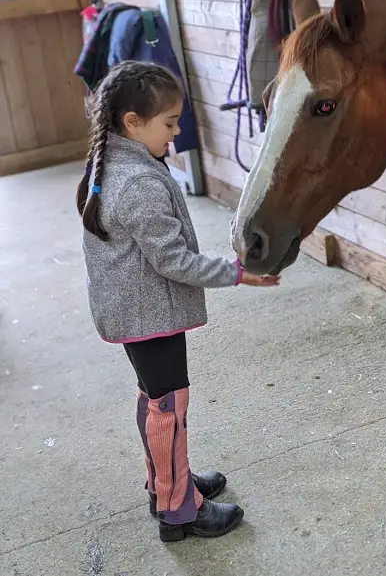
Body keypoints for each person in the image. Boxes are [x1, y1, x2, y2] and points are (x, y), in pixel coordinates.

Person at [77, 61, 279, 543]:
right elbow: (175, 261)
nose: (177, 130)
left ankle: (167, 484)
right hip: (149, 314)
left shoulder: (114, 163)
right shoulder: (138, 183)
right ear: (132, 122)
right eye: (168, 122)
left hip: (134, 312)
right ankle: (178, 510)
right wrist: (235, 273)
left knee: (156, 402)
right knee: (168, 406)